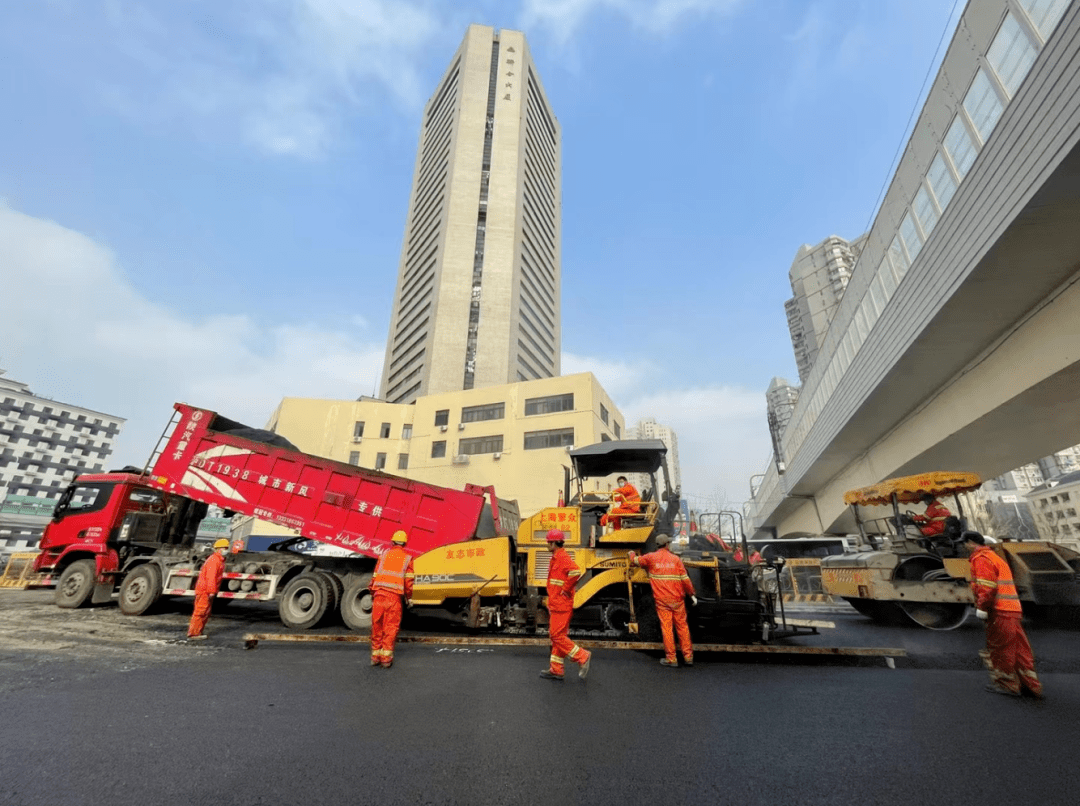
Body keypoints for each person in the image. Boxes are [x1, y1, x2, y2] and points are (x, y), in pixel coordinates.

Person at [964, 531, 1043, 698]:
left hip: (998, 610)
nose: (963, 547)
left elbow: (987, 587)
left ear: (971, 543)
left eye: (964, 543)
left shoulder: (981, 559)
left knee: (1001, 648)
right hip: (1012, 609)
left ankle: (1007, 685)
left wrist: (982, 608)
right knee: (1020, 649)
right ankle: (1031, 686)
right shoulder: (995, 557)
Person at [628, 533, 697, 667]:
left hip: (662, 601)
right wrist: (692, 594)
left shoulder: (651, 558)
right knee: (682, 627)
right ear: (667, 544)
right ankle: (688, 657)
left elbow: (635, 561)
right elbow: (685, 580)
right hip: (678, 600)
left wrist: (631, 553)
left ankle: (671, 659)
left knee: (667, 628)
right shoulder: (676, 559)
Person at [540, 528, 592, 681]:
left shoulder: (561, 557)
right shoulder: (556, 557)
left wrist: (565, 589)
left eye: (549, 542)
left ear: (555, 543)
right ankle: (556, 669)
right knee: (558, 636)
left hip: (561, 604)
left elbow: (575, 571)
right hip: (557, 602)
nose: (547, 545)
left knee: (556, 635)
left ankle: (582, 656)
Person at [370, 530, 415, 669]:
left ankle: (375, 657)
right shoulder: (408, 558)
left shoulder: (383, 556)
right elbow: (408, 582)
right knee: (390, 628)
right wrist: (409, 597)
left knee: (377, 626)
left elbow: (375, 576)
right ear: (405, 543)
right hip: (394, 598)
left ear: (392, 541)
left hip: (379, 595)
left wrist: (373, 591)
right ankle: (386, 660)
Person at [187, 538, 230, 640]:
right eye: (225, 548)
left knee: (204, 612)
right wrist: (211, 591)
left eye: (227, 548)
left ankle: (197, 632)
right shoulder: (214, 560)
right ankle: (193, 634)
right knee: (200, 612)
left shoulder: (217, 560)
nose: (226, 550)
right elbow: (211, 577)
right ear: (218, 549)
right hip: (205, 591)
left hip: (205, 590)